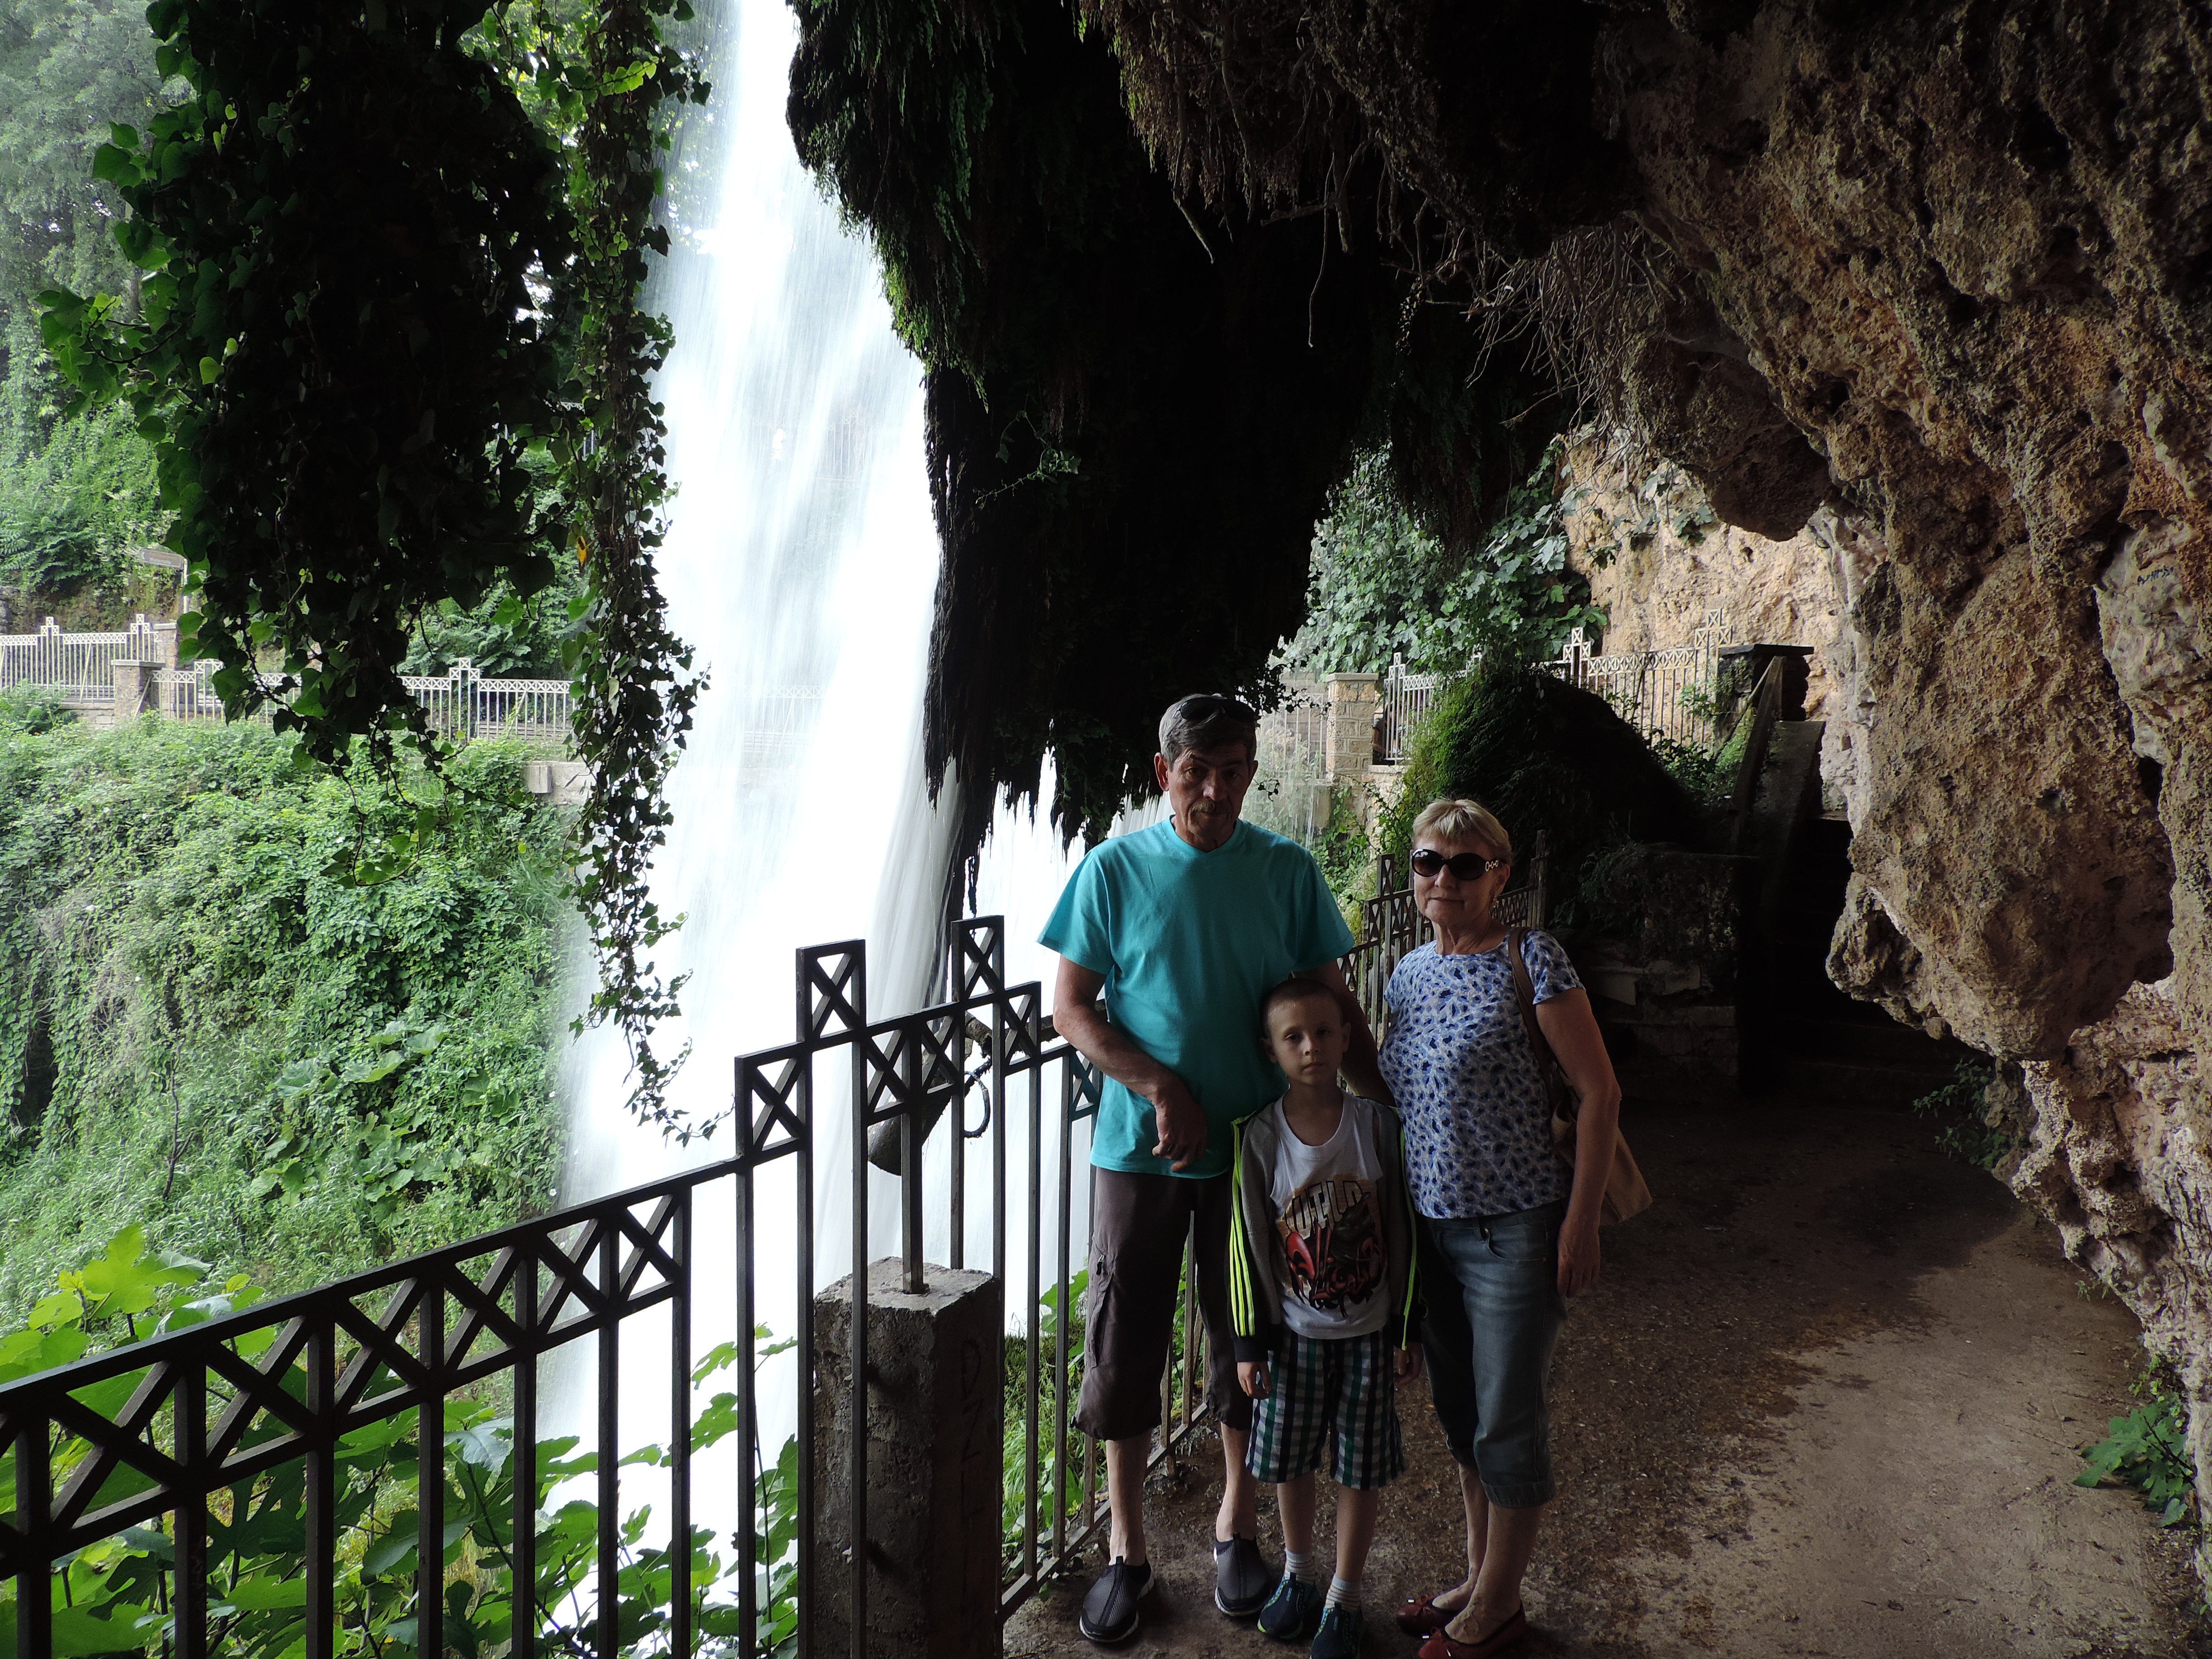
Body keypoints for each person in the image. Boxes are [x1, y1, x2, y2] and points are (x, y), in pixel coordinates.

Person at [1041, 693, 1384, 1646]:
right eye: (1197, 772)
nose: (1215, 792)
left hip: (1260, 1152)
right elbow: (1072, 1008)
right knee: (1125, 1343)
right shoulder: (1113, 870)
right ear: (1165, 774)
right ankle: (1127, 1547)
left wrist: (1392, 1117)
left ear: (1250, 774)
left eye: (1233, 772)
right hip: (1139, 1153)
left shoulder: (1285, 871)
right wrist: (1159, 1086)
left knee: (1250, 1340)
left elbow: (1334, 1008)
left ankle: (1237, 1522)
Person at [1378, 798, 1622, 1659]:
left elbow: (1600, 1093)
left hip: (1515, 1230)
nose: (1443, 879)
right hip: (1432, 1232)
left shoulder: (1532, 958)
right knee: (1459, 1416)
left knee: (1508, 1419)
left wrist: (1580, 1223)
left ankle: (1498, 1608)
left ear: (1500, 875)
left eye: (1465, 865)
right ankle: (1478, 1578)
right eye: (1428, 862)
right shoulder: (1407, 974)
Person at [1229, 977, 1422, 1659]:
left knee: (1359, 1469)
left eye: (1324, 1032)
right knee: (1288, 1463)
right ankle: (1299, 1574)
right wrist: (1250, 1342)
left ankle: (1345, 1595)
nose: (1311, 1047)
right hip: (1293, 1339)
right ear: (1271, 1050)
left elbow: (1403, 1229)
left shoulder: (1377, 1127)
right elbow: (1247, 1247)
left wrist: (1404, 1327)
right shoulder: (1259, 1139)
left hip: (1369, 1334)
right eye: (1294, 1037)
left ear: (1346, 1038)